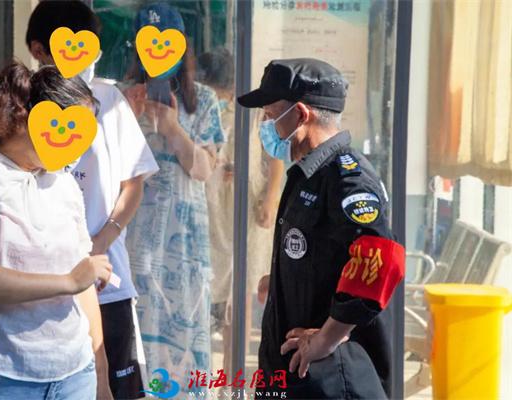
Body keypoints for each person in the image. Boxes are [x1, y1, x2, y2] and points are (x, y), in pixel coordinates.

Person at [0, 62, 113, 399]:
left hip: (76, 375)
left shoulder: (63, 182)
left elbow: (83, 282)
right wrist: (67, 282)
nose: (76, 144)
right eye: (70, 128)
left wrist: (101, 372)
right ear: (28, 118)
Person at [237, 58, 405, 399]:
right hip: (292, 372)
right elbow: (323, 253)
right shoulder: (308, 173)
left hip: (329, 378)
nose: (266, 126)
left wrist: (327, 338)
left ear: (300, 115)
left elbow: (381, 260)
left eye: (271, 115)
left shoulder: (347, 179)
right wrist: (283, 278)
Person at [26, 2, 159, 398]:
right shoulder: (22, 104)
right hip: (42, 287)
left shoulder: (107, 100)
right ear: (38, 50)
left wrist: (103, 239)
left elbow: (134, 182)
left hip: (105, 280)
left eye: (89, 47)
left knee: (116, 386)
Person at [122, 3, 225, 390]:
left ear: (183, 47)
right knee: (137, 326)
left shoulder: (205, 101)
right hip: (134, 232)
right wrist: (129, 116)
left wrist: (171, 128)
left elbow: (203, 170)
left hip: (185, 236)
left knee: (185, 323)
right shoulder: (122, 99)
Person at [196, 49, 284, 373]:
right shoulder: (199, 106)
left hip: (245, 208)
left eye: (222, 91)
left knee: (241, 295)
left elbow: (276, 153)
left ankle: (231, 380)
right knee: (206, 290)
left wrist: (270, 198)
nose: (220, 97)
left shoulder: (257, 112)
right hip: (209, 208)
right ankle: (202, 375)